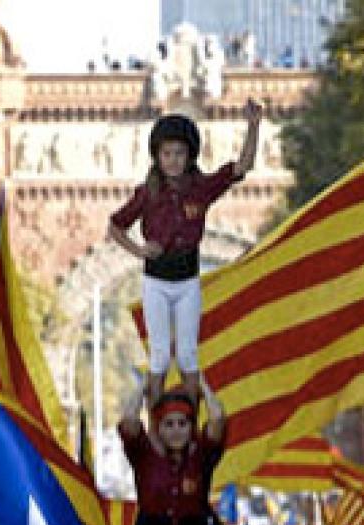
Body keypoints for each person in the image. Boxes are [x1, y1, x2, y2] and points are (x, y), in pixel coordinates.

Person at [108, 99, 264, 406]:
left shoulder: (201, 188)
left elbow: (242, 167)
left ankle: (192, 418)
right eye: (166, 154)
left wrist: (254, 126)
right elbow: (115, 226)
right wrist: (139, 251)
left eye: (180, 153)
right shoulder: (148, 193)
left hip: (187, 282)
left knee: (188, 356)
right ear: (157, 156)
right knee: (159, 356)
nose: (173, 160)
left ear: (191, 155)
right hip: (156, 282)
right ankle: (156, 419)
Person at [119, 376, 226, 525]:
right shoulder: (144, 456)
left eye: (182, 423)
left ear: (191, 427)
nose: (176, 430)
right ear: (158, 428)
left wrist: (201, 384)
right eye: (168, 424)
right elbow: (128, 421)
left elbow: (218, 419)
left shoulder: (201, 458)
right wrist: (145, 384)